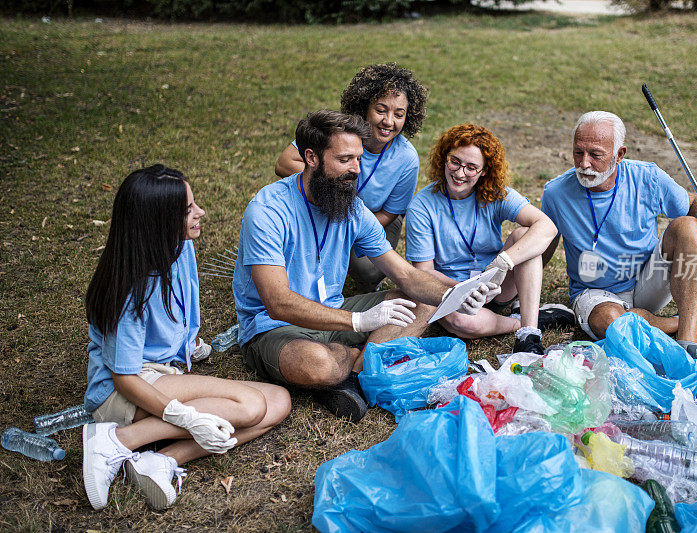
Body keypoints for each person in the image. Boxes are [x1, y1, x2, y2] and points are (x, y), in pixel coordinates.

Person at [235, 111, 494, 423]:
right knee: (317, 364)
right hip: (274, 326)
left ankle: (352, 375)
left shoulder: (349, 204)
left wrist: (457, 294)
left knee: (421, 302)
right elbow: (277, 303)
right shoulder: (268, 210)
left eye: (358, 159)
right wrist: (359, 321)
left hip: (333, 310)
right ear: (311, 157)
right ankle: (358, 365)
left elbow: (407, 275)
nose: (355, 170)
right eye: (345, 159)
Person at [82, 165, 291, 511]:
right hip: (123, 391)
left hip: (165, 375)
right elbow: (124, 376)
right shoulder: (129, 289)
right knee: (251, 407)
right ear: (158, 221)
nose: (200, 213)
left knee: (279, 402)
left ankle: (159, 460)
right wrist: (185, 416)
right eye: (188, 209)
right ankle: (116, 439)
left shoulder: (180, 248)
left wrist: (187, 346)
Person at [540, 111, 697, 396]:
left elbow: (690, 205)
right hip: (595, 292)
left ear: (620, 154)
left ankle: (688, 348)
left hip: (647, 279)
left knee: (688, 227)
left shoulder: (648, 176)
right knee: (610, 321)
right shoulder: (556, 192)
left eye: (595, 154)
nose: (584, 164)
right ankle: (685, 320)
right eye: (578, 152)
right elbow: (542, 248)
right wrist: (516, 289)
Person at [405, 124, 558, 354]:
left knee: (525, 235)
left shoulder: (494, 193)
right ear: (443, 158)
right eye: (454, 162)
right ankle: (523, 323)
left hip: (497, 282)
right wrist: (464, 289)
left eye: (471, 167)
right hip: (452, 291)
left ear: (485, 170)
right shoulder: (422, 205)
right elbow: (424, 270)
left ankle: (529, 336)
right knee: (461, 322)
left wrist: (503, 262)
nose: (459, 173)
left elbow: (547, 226)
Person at [275, 63, 428, 291]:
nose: (388, 121)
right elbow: (283, 164)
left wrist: (349, 232)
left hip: (375, 216)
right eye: (381, 110)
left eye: (399, 114)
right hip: (324, 203)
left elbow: (390, 212)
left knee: (370, 270)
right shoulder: (338, 133)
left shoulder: (407, 158)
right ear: (365, 107)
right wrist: (328, 179)